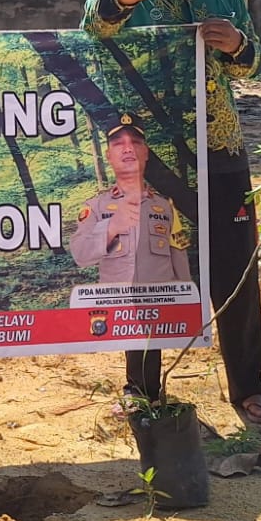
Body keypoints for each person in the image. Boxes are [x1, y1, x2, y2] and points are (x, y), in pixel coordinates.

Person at [80, 0, 261, 426]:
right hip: (155, 161)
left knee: (236, 267)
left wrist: (237, 44)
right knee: (148, 268)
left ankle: (247, 386)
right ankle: (142, 389)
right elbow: (91, 31)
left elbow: (251, 62)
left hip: (221, 150)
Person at [69, 113, 194, 406]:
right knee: (135, 345)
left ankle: (149, 393)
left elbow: (178, 252)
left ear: (145, 153)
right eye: (118, 143)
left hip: (158, 299)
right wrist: (112, 227)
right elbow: (80, 254)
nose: (128, 148)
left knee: (152, 345)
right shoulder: (96, 206)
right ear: (109, 155)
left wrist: (186, 299)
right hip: (118, 304)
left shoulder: (164, 206)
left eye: (135, 142)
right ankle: (136, 391)